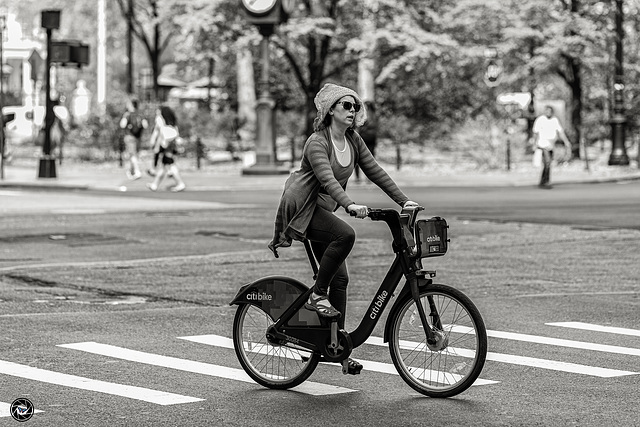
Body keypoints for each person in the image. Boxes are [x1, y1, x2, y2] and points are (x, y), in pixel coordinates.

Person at [268, 83, 418, 372]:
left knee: (341, 280)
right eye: (346, 106)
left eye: (356, 106)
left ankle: (336, 346)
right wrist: (349, 204)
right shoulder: (317, 142)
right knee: (345, 234)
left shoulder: (352, 139)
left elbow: (374, 171)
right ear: (330, 110)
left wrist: (404, 201)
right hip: (303, 209)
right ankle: (316, 295)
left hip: (323, 210)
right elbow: (327, 179)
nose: (353, 111)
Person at [146, 105, 186, 192]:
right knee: (165, 165)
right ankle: (155, 184)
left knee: (170, 164)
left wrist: (155, 144)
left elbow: (158, 133)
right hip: (170, 145)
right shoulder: (172, 124)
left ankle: (180, 183)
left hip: (166, 145)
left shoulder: (161, 121)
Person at [532, 106, 571, 189]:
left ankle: (543, 180)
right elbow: (535, 132)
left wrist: (566, 141)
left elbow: (560, 132)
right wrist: (534, 144)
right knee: (547, 162)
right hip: (543, 144)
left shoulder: (554, 120)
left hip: (551, 145)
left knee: (548, 164)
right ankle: (546, 181)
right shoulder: (540, 120)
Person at [119, 98, 148, 180]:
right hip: (138, 137)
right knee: (134, 154)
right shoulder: (140, 114)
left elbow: (122, 125)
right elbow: (145, 125)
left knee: (132, 155)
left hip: (129, 136)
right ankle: (131, 171)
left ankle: (137, 171)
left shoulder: (127, 114)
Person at [354, 101, 377, 182]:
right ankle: (369, 178)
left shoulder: (364, 115)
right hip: (372, 138)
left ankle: (358, 177)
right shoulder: (375, 115)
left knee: (358, 157)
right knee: (370, 158)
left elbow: (359, 126)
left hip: (364, 138)